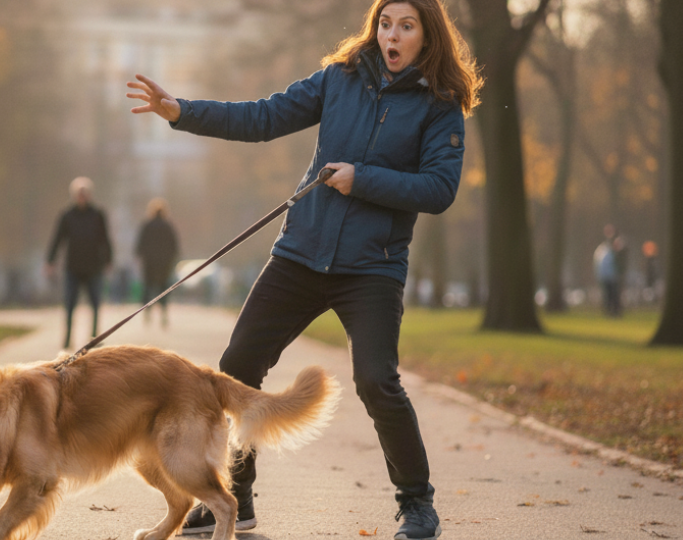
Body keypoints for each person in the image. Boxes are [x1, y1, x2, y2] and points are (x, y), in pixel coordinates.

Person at [127, 1, 481, 538]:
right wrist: (183, 112)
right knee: (237, 366)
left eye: (406, 26)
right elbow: (265, 116)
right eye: (386, 23)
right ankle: (237, 500)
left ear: (427, 36)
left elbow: (439, 189)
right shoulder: (341, 78)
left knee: (376, 380)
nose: (393, 34)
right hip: (300, 253)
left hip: (372, 267)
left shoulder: (440, 104)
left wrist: (362, 178)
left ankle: (417, 504)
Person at [45, 176, 114, 349]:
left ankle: (94, 339)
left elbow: (105, 239)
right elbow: (57, 239)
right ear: (74, 195)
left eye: (85, 193)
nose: (82, 196)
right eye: (79, 193)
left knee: (95, 304)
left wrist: (108, 260)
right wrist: (50, 261)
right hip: (73, 268)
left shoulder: (98, 215)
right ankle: (68, 338)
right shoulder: (67, 216)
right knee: (69, 304)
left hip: (93, 267)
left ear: (89, 195)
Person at [135, 198, 180, 327]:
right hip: (164, 264)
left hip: (150, 263)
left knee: (148, 288)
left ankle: (147, 312)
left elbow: (140, 245)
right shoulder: (168, 226)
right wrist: (171, 260)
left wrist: (142, 256)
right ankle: (163, 313)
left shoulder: (147, 225)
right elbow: (174, 246)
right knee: (163, 289)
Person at [593, 224, 625, 317]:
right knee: (608, 295)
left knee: (614, 295)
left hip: (613, 276)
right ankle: (609, 311)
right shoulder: (604, 247)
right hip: (606, 276)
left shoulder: (615, 245)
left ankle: (615, 311)